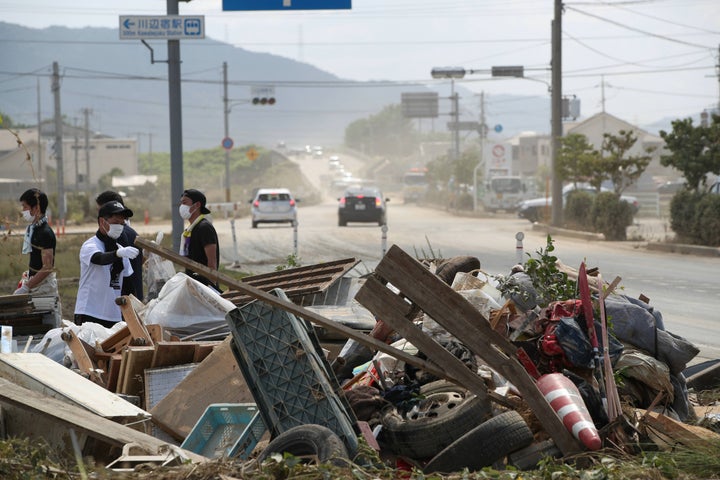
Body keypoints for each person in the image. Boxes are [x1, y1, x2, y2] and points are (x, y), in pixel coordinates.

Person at [74, 201, 139, 329]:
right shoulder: (90, 245)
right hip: (89, 313)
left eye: (122, 223)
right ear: (102, 222)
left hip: (113, 316)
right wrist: (118, 254)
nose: (120, 227)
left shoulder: (120, 249)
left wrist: (138, 310)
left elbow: (128, 286)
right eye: (115, 223)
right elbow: (99, 258)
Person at [15, 188, 62, 326]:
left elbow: (47, 267)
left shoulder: (45, 233)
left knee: (46, 325)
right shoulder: (33, 229)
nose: (23, 211)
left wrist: (27, 287)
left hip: (43, 287)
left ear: (36, 208)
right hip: (34, 282)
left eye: (25, 207)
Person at [95, 191, 143, 301]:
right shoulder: (132, 233)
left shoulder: (117, 235)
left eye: (100, 211)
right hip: (132, 297)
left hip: (123, 300)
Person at [179, 188, 220, 290]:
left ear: (197, 205)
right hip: (193, 285)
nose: (181, 207)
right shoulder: (189, 230)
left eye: (185, 203)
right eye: (181, 203)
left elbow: (212, 262)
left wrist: (212, 287)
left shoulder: (204, 228)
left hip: (204, 287)